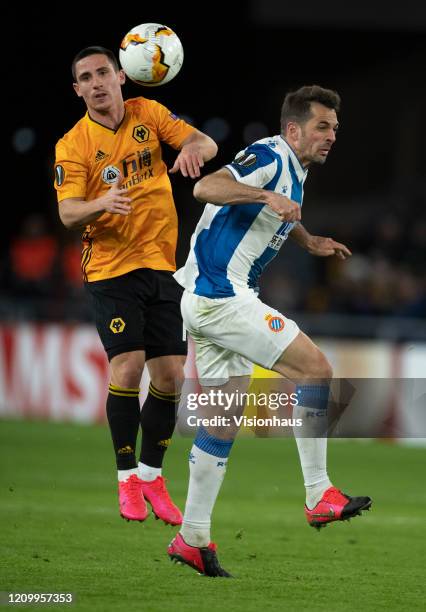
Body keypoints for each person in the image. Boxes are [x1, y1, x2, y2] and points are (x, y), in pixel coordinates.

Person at [168, 85, 372, 576]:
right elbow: (206, 187)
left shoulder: (295, 173)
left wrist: (307, 239)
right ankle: (318, 492)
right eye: (323, 127)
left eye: (335, 129)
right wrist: (265, 194)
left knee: (221, 421)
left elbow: (270, 213)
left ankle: (192, 537)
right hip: (222, 297)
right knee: (316, 371)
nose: (331, 137)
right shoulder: (268, 154)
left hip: (209, 298)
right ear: (294, 129)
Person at [54, 46, 217, 526]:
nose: (97, 82)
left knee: (170, 377)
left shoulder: (148, 113)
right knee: (127, 366)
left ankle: (151, 475)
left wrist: (191, 149)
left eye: (104, 72)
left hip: (162, 266)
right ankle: (126, 478)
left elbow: (206, 144)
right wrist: (100, 202)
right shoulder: (73, 145)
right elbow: (68, 213)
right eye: (87, 77)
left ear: (122, 76)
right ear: (78, 90)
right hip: (110, 268)